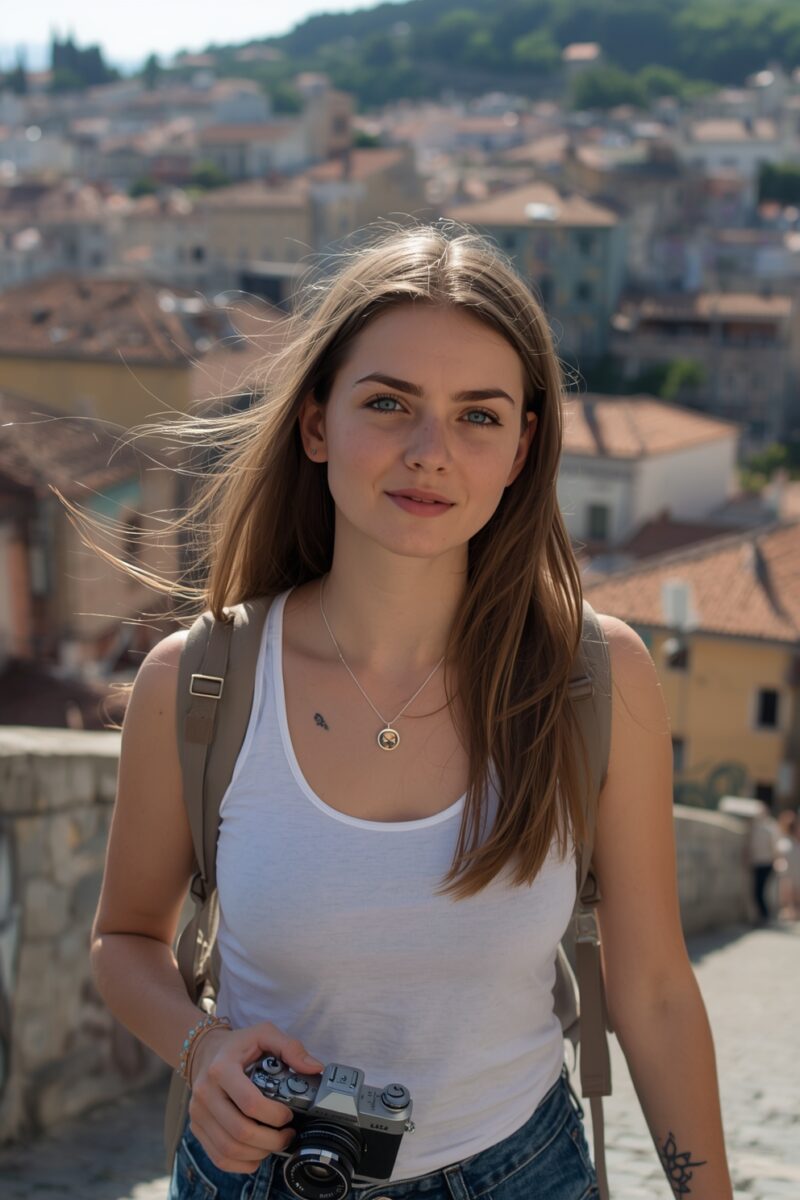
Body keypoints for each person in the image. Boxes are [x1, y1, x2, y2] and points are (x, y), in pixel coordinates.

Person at [89, 222, 733, 1200]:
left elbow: (649, 991)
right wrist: (202, 1046)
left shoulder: (592, 678)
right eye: (388, 403)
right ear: (315, 425)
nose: (429, 452)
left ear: (522, 446)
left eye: (477, 416)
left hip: (522, 1172)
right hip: (262, 1177)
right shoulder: (200, 685)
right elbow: (125, 939)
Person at [748, 801, 781, 925]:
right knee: (756, 891)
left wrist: (776, 860)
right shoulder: (754, 826)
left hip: (767, 863)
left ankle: (765, 915)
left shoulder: (771, 827)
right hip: (756, 862)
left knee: (760, 890)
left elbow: (774, 846)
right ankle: (761, 915)